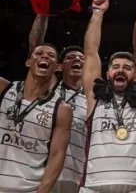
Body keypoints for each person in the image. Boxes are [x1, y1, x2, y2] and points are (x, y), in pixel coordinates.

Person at [79, 0, 136, 193]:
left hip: (132, 187)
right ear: (107, 74)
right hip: (93, 186)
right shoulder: (94, 98)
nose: (121, 70)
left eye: (127, 67)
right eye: (115, 66)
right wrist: (97, 13)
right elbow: (90, 52)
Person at [0, 44, 72, 193]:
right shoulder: (3, 88)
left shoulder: (62, 109)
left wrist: (43, 191)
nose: (44, 56)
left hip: (29, 188)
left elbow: (57, 154)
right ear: (28, 62)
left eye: (51, 55)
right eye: (38, 53)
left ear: (57, 67)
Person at [52, 45, 88, 193]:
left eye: (81, 58)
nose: (77, 59)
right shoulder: (49, 91)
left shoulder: (95, 98)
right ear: (59, 67)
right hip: (50, 173)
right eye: (70, 57)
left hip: (82, 175)